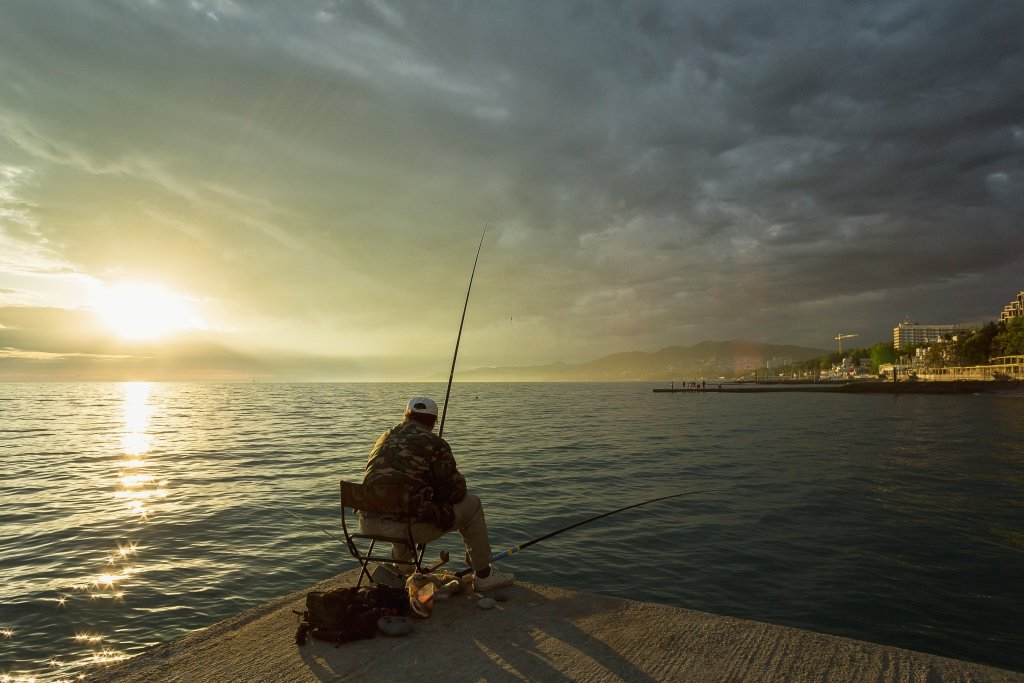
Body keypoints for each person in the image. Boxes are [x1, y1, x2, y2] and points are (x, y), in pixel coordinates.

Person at [358, 396, 514, 591]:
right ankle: (483, 575)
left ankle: (401, 567)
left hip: (367, 523)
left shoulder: (383, 438)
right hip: (406, 527)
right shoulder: (434, 442)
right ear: (433, 422)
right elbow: (456, 493)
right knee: (472, 505)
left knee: (401, 505)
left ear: (406, 416)